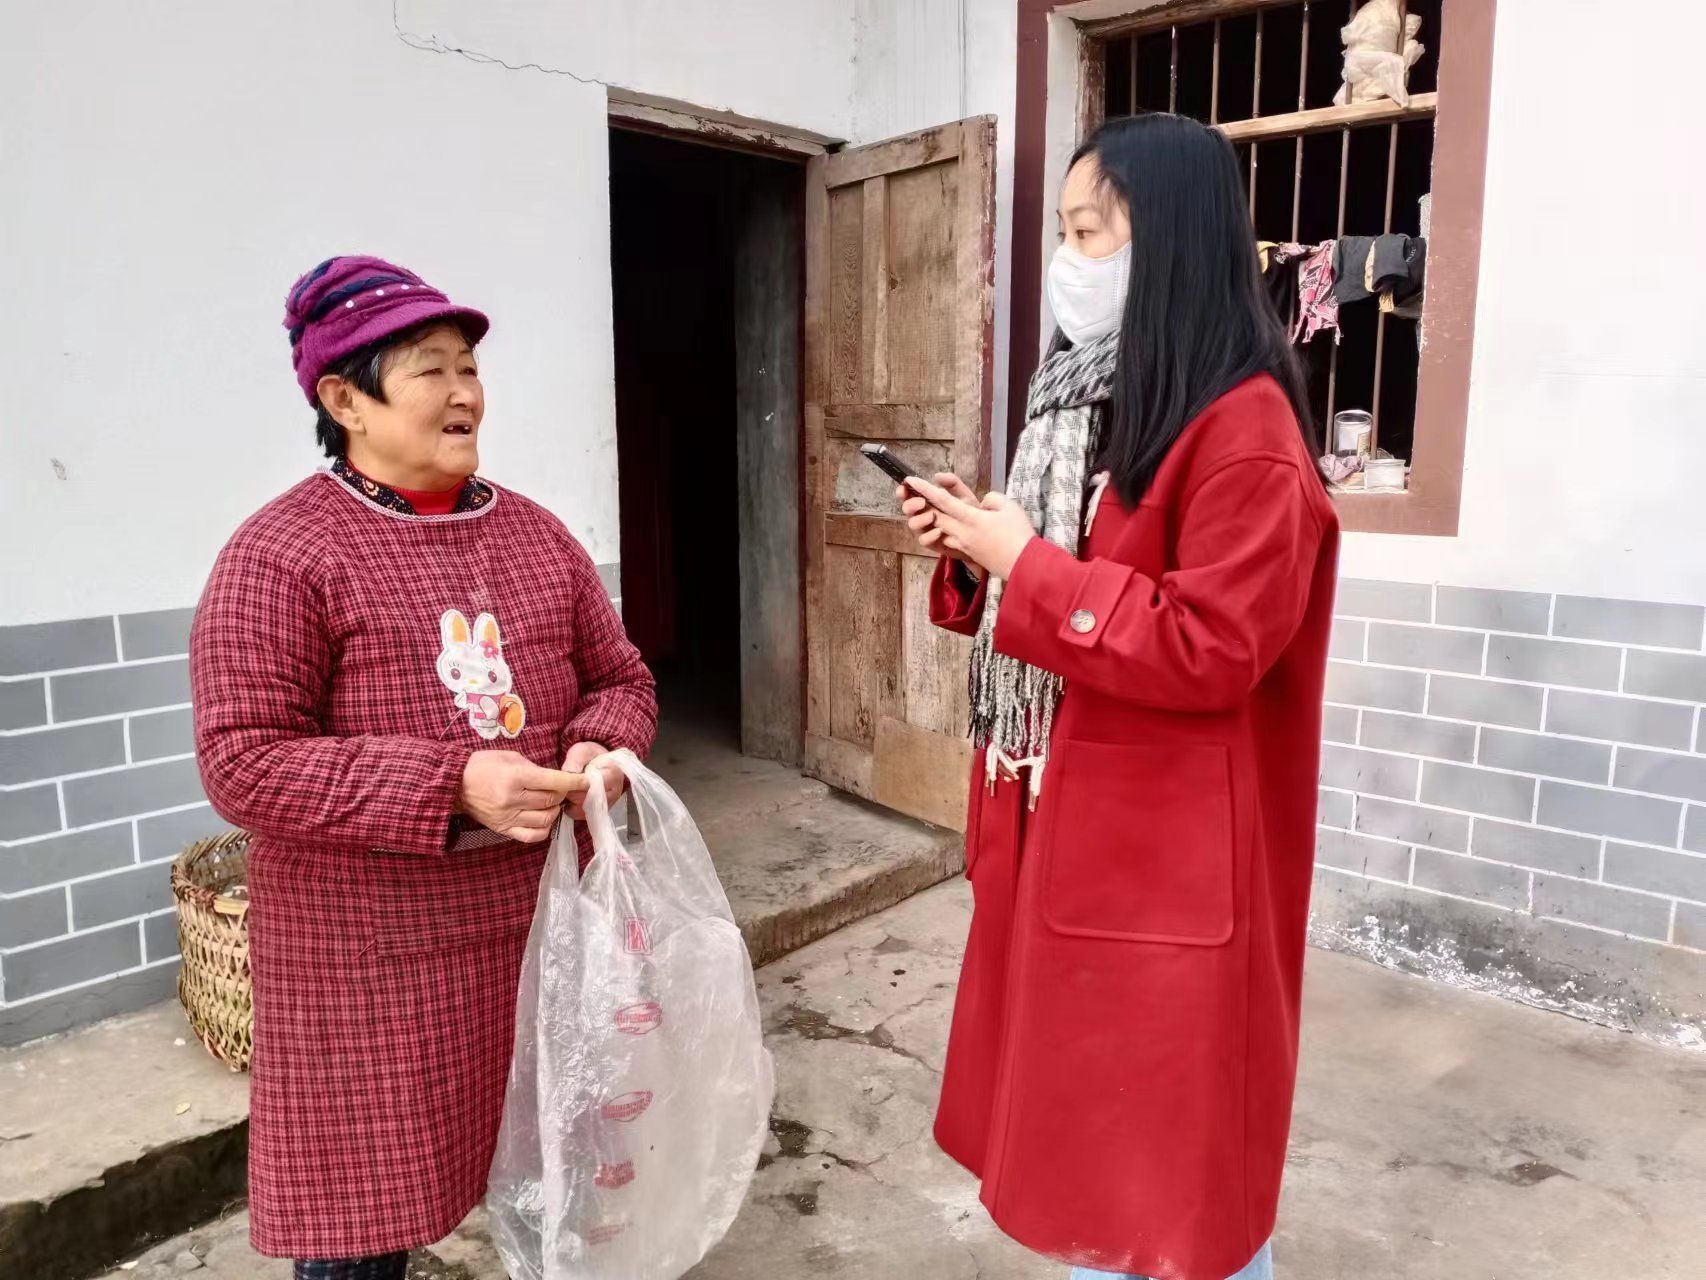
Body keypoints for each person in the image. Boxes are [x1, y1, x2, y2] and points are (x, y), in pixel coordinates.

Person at [901, 115, 1339, 1280]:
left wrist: (1026, 564)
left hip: (1164, 858)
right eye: (1065, 234)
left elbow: (1210, 644)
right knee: (1084, 1153)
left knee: (1165, 1185)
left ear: (1175, 245)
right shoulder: (1088, 408)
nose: (1069, 262)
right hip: (1071, 831)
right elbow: (1055, 591)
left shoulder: (1243, 430)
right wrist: (974, 545)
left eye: (1088, 232)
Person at [190, 255, 658, 1279]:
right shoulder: (280, 554)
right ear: (342, 399)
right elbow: (242, 760)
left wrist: (600, 745)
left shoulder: (537, 536)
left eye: (469, 367)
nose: (464, 392)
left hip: (537, 938)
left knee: (556, 1189)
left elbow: (620, 678)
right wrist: (451, 783)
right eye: (430, 370)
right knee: (363, 1224)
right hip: (372, 966)